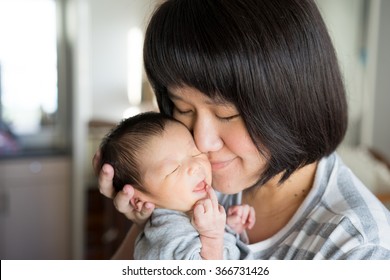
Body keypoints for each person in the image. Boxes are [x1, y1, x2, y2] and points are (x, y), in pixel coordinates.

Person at [94, 0, 390, 259]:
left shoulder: (359, 249)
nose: (202, 141)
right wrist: (154, 220)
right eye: (183, 109)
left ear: (293, 99)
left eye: (226, 113)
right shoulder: (199, 182)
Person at [97, 111, 255, 259]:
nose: (195, 166)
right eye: (173, 169)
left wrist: (232, 229)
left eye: (196, 153)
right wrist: (212, 237)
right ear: (138, 200)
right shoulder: (167, 236)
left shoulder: (186, 212)